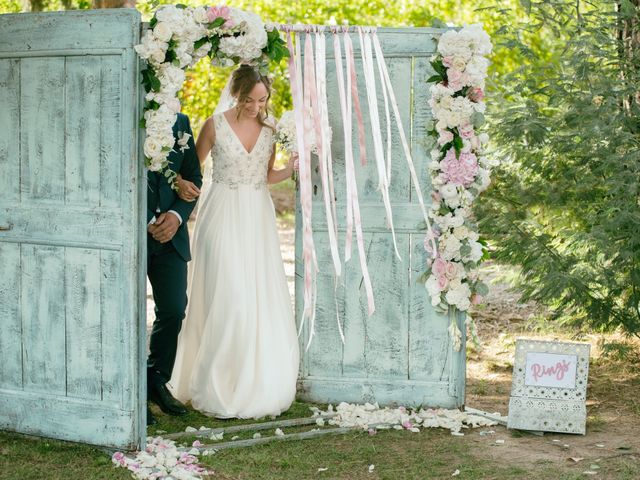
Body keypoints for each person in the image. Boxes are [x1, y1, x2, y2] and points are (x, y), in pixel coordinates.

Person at [168, 64, 300, 419]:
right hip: (222, 213)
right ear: (237, 94)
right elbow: (191, 169)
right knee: (227, 292)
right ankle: (215, 379)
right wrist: (179, 185)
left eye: (263, 100)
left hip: (256, 216)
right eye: (251, 100)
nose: (257, 106)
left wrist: (293, 168)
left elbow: (268, 174)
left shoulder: (271, 130)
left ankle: (247, 379)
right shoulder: (214, 125)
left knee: (253, 294)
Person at [146, 112, 203, 425]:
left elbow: (194, 176)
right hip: (131, 232)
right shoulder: (119, 107)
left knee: (173, 309)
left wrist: (176, 216)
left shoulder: (180, 121)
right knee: (124, 313)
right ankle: (127, 390)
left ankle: (156, 379)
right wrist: (146, 220)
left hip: (172, 234)